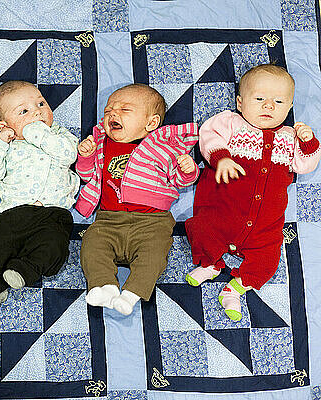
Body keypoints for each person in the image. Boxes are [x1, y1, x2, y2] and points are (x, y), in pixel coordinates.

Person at [185, 64, 321, 321]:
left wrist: (308, 142)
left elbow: (306, 164)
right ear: (240, 102)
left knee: (268, 260)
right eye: (259, 99)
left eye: (279, 101)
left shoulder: (290, 137)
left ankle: (235, 288)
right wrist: (221, 158)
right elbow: (209, 135)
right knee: (201, 228)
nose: (269, 106)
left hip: (264, 227)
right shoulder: (231, 123)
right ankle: (210, 264)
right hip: (221, 212)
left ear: (289, 108)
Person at [75, 83, 198, 315]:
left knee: (154, 256)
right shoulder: (102, 145)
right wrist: (86, 156)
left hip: (152, 223)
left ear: (151, 123)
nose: (113, 114)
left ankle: (132, 293)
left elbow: (180, 180)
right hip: (108, 221)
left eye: (124, 110)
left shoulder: (162, 149)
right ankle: (105, 286)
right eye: (108, 111)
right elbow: (87, 175)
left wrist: (188, 169)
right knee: (91, 244)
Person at [0, 80, 79, 318]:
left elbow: (68, 155)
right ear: (5, 125)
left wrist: (37, 131)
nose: (37, 111)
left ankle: (23, 270)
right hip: (13, 212)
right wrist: (0, 141)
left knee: (54, 250)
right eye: (24, 111)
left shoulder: (59, 134)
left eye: (41, 103)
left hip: (54, 212)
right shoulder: (6, 144)